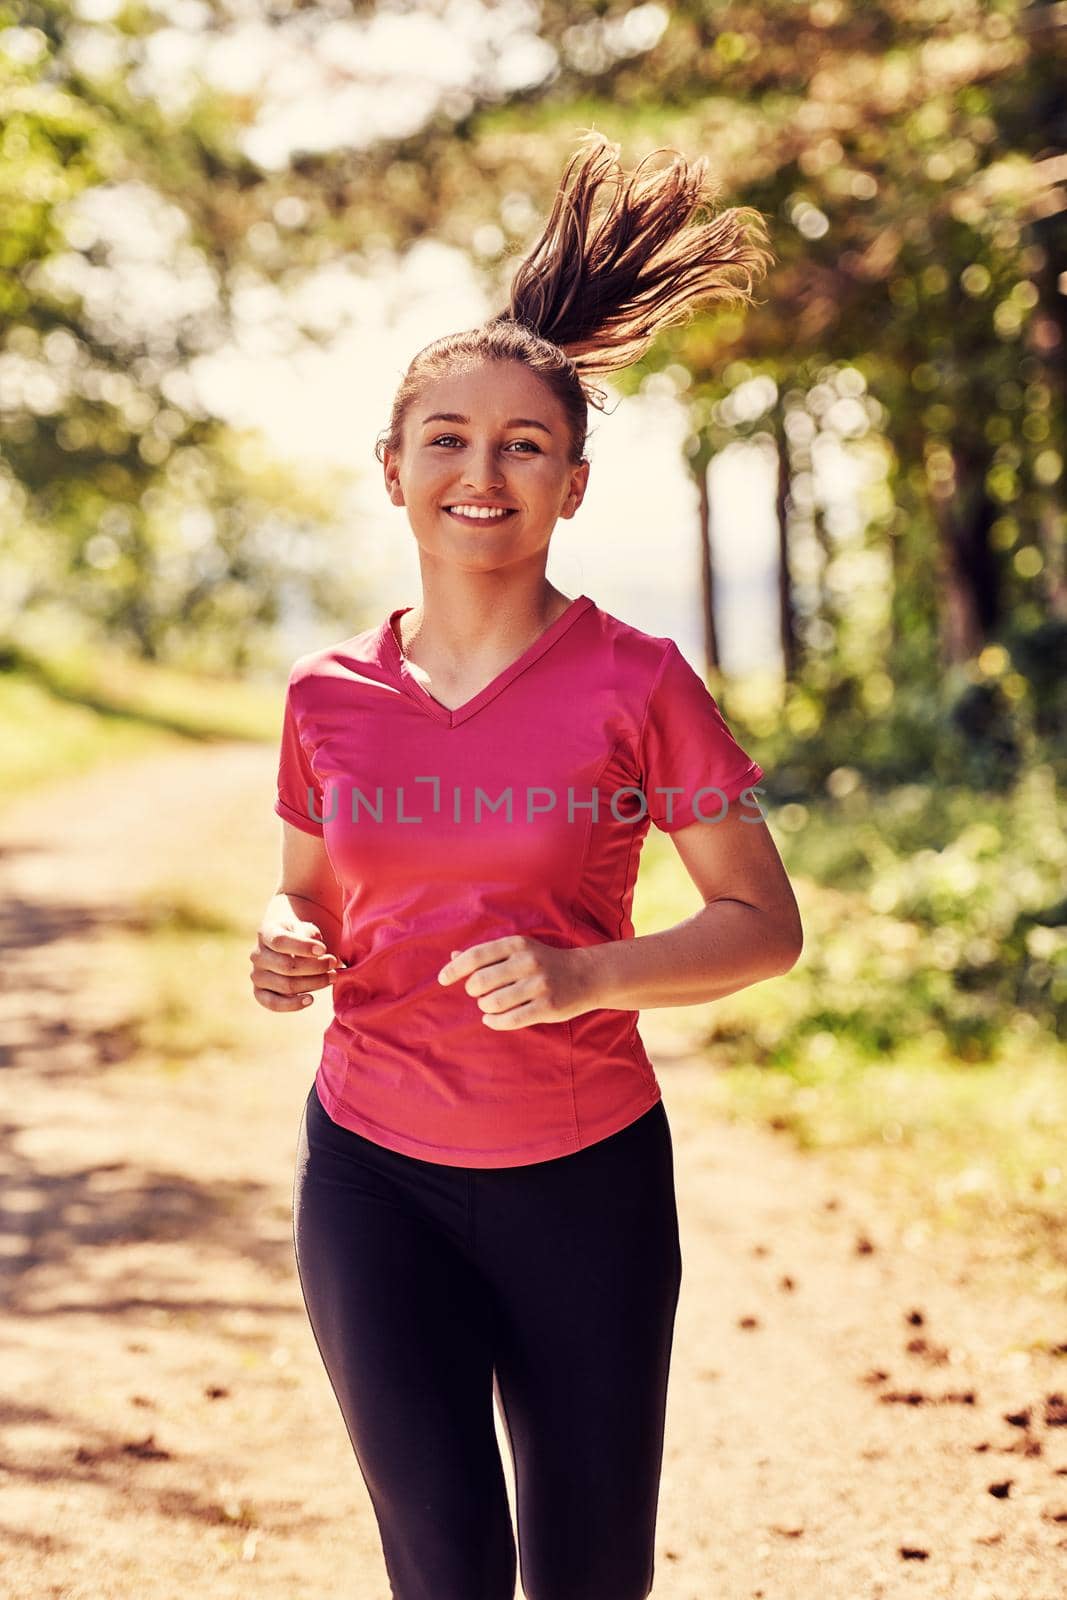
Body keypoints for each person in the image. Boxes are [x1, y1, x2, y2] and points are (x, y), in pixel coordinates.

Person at [250, 131, 803, 1600]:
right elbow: (307, 890)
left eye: (522, 445)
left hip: (587, 1186)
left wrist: (583, 975)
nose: (480, 472)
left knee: (585, 1574)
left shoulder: (640, 682)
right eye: (447, 437)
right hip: (370, 1174)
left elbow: (762, 925)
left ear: (569, 483)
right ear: (392, 470)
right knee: (443, 1566)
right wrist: (281, 938)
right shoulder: (326, 695)